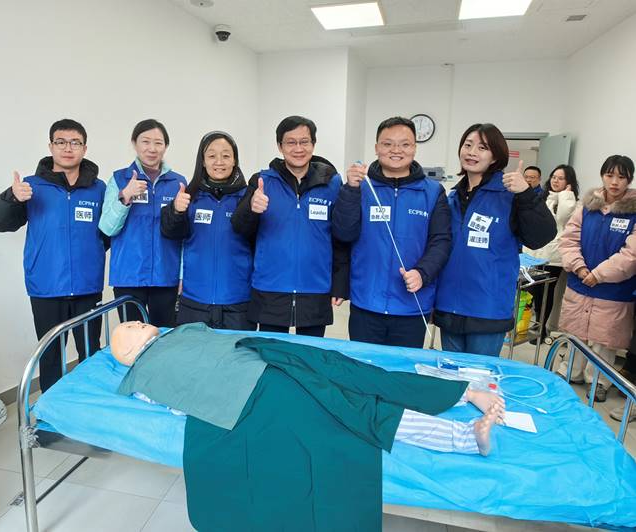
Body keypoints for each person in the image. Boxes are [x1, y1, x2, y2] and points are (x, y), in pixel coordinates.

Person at [111, 320, 504, 457]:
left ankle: (464, 392)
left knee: (357, 373)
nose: (132, 324)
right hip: (254, 389)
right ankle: (464, 437)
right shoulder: (141, 376)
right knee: (348, 407)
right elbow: (178, 402)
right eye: (127, 329)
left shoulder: (181, 331)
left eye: (131, 321)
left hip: (265, 354)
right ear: (127, 355)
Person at [0, 118, 106, 392]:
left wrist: (90, 256)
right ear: (51, 146)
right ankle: (52, 410)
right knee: (51, 358)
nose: (68, 148)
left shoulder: (99, 189)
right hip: (46, 287)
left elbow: (107, 232)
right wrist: (12, 197)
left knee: (91, 353)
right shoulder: (31, 186)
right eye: (61, 142)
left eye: (75, 142)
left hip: (87, 287)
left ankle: (89, 406)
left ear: (85, 148)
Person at [434, 123, 557, 356]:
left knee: (480, 375)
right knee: (451, 373)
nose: (472, 152)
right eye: (468, 145)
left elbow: (541, 236)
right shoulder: (452, 197)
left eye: (482, 148)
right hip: (449, 305)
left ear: (495, 157)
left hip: (487, 309)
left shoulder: (509, 194)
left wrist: (526, 194)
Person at [332, 116, 452, 347]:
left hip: (412, 305)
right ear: (376, 147)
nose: (396, 150)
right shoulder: (361, 187)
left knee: (403, 369)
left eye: (405, 144)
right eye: (388, 144)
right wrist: (350, 190)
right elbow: (343, 233)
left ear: (414, 148)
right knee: (364, 366)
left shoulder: (432, 192)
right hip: (366, 302)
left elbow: (441, 241)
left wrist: (422, 273)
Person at [231, 116, 349, 337]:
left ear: (313, 144)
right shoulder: (262, 181)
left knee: (310, 353)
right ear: (280, 146)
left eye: (304, 142)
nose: (298, 148)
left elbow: (340, 236)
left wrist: (340, 283)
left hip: (315, 287)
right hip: (270, 287)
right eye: (290, 142)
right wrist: (251, 209)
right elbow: (239, 228)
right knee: (272, 352)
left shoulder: (331, 183)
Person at [557, 155, 636, 403]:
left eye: (621, 177)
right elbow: (569, 239)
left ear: (629, 180)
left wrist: (599, 274)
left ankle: (599, 381)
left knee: (605, 338)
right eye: (610, 175)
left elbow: (631, 255)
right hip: (580, 281)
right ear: (602, 176)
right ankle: (570, 371)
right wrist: (580, 268)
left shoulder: (633, 211)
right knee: (576, 332)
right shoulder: (587, 206)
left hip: (613, 288)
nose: (614, 182)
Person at [161, 131, 255, 330]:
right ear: (202, 161)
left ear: (235, 160)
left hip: (238, 303)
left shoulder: (248, 198)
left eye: (226, 155)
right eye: (212, 156)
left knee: (235, 351)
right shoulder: (189, 196)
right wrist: (176, 210)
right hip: (195, 301)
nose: (219, 162)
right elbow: (170, 232)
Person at [98, 119, 187, 327]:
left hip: (166, 275)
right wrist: (125, 196)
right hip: (129, 276)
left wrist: (183, 275)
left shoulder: (178, 183)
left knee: (165, 337)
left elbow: (184, 235)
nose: (152, 148)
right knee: (132, 339)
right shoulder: (119, 179)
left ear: (166, 146)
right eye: (145, 142)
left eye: (158, 143)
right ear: (134, 144)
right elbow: (107, 227)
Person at [524, 165, 580, 343]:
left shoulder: (572, 201)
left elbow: (563, 219)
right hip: (535, 253)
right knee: (533, 291)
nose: (556, 181)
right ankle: (531, 325)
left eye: (561, 178)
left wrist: (565, 196)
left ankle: (541, 329)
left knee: (546, 293)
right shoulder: (543, 196)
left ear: (569, 182)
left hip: (554, 256)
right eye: (554, 177)